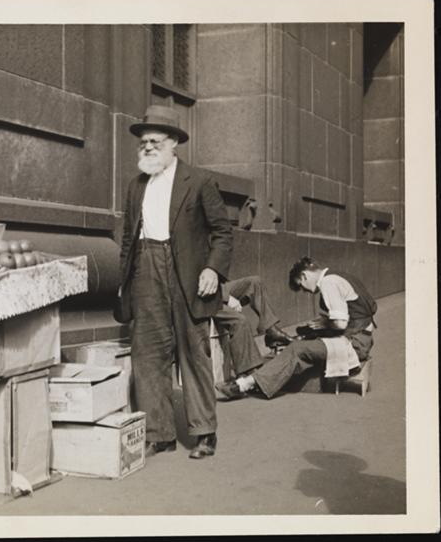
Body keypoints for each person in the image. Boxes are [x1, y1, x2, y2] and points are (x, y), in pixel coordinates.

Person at [117, 105, 233, 459]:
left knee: (193, 352)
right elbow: (128, 237)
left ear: (173, 144)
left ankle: (204, 432)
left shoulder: (198, 181)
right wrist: (125, 280)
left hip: (188, 274)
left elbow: (223, 232)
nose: (148, 148)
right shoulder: (136, 186)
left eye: (155, 141)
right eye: (143, 143)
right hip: (145, 269)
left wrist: (212, 270)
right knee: (148, 352)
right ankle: (159, 433)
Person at [216, 257, 377, 400]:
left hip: (354, 344)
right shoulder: (338, 275)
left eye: (302, 286)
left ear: (304, 276)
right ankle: (264, 375)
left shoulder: (328, 283)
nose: (305, 291)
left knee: (297, 348)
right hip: (361, 338)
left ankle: (245, 384)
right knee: (303, 340)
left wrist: (324, 324)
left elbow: (340, 323)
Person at [215, 276, 295, 378]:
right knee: (240, 320)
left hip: (218, 288)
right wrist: (227, 298)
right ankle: (247, 371)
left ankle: (271, 330)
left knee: (255, 282)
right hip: (206, 299)